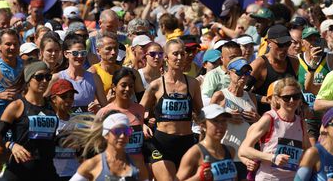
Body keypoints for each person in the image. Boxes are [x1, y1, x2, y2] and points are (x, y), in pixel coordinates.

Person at [140, 39, 203, 180]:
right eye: (175, 54)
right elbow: (138, 112)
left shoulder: (193, 83)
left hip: (186, 141)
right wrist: (143, 125)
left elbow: (201, 113)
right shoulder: (156, 85)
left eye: (183, 53)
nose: (180, 58)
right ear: (166, 57)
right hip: (162, 142)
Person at [238, 77, 310, 181]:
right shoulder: (269, 119)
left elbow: (307, 151)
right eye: (286, 97)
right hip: (268, 178)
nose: (292, 101)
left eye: (296, 97)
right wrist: (273, 158)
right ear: (277, 99)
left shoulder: (301, 122)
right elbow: (244, 149)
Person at [0, 61, 59, 180]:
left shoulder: (52, 106)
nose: (45, 81)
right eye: (39, 77)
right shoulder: (17, 106)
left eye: (48, 77)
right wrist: (12, 145)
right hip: (21, 170)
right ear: (28, 79)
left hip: (46, 171)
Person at [210, 57, 259, 179]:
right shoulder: (220, 96)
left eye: (247, 73)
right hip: (224, 154)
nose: (244, 76)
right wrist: (226, 117)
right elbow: (207, 125)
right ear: (229, 72)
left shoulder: (251, 98)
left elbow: (259, 129)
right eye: (240, 72)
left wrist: (258, 119)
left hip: (246, 157)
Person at [68, 112, 149, 180]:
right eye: (117, 131)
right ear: (106, 135)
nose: (122, 136)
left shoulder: (137, 163)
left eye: (126, 131)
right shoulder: (93, 164)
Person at [96, 68, 148, 165]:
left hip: (138, 167)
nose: (128, 89)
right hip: (115, 167)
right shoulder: (104, 112)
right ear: (114, 87)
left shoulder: (140, 109)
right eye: (123, 85)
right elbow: (96, 143)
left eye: (131, 86)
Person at [176, 104, 239, 181]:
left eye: (224, 121)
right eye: (215, 121)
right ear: (203, 126)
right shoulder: (195, 153)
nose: (221, 125)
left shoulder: (230, 151)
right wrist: (198, 177)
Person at [49, 34, 107, 114]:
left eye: (83, 53)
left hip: (87, 124)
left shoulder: (94, 78)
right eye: (75, 53)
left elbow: (105, 107)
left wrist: (98, 109)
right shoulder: (57, 78)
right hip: (64, 125)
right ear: (66, 54)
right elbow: (45, 103)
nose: (80, 56)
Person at [250, 24, 299, 115]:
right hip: (264, 118)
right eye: (280, 45)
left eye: (287, 44)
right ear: (269, 43)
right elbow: (242, 92)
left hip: (288, 118)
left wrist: (303, 105)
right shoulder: (259, 65)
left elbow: (296, 90)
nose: (284, 49)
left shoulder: (294, 63)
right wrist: (265, 99)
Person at [0, 29, 24, 120]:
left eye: (15, 44)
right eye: (8, 44)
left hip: (19, 119)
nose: (12, 47)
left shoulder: (24, 65)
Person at [49, 79, 80, 180]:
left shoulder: (78, 121)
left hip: (73, 174)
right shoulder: (49, 121)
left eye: (71, 97)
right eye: (63, 97)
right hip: (52, 174)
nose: (68, 100)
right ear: (53, 99)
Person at [201, 41, 242, 105]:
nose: (236, 60)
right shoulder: (213, 74)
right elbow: (204, 99)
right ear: (222, 58)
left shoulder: (244, 73)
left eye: (239, 57)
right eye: (232, 57)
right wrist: (225, 106)